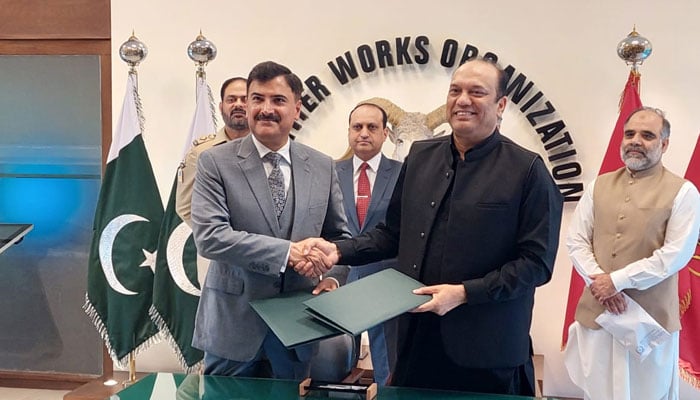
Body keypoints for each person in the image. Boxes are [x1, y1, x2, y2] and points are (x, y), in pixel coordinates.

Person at [300, 59, 563, 395]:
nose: (463, 99)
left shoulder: (528, 171)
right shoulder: (421, 157)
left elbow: (536, 265)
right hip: (415, 343)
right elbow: (392, 234)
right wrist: (338, 250)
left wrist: (465, 293)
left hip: (487, 352)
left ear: (500, 106)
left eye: (476, 92)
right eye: (456, 90)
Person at [189, 61, 351, 379]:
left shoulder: (322, 166)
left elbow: (339, 238)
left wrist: (331, 279)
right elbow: (209, 236)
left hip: (298, 332)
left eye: (277, 100)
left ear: (296, 108)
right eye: (257, 99)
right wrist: (287, 253)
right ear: (247, 104)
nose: (266, 109)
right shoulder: (214, 162)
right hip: (233, 330)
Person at [564, 107, 700, 400]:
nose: (636, 140)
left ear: (664, 145)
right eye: (630, 134)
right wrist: (601, 282)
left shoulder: (684, 192)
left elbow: (675, 255)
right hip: (598, 315)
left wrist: (618, 281)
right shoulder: (597, 185)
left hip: (648, 322)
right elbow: (576, 241)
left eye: (648, 135)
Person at [336, 103, 402, 386]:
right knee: (335, 365)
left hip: (385, 281)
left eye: (372, 127)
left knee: (387, 365)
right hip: (337, 278)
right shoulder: (328, 172)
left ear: (385, 133)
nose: (363, 133)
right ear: (349, 131)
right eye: (357, 127)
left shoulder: (404, 173)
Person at [176, 77, 250, 225]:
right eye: (231, 100)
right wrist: (215, 237)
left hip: (262, 244)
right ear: (221, 107)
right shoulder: (202, 151)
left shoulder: (267, 148)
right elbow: (185, 206)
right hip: (220, 244)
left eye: (244, 99)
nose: (238, 105)